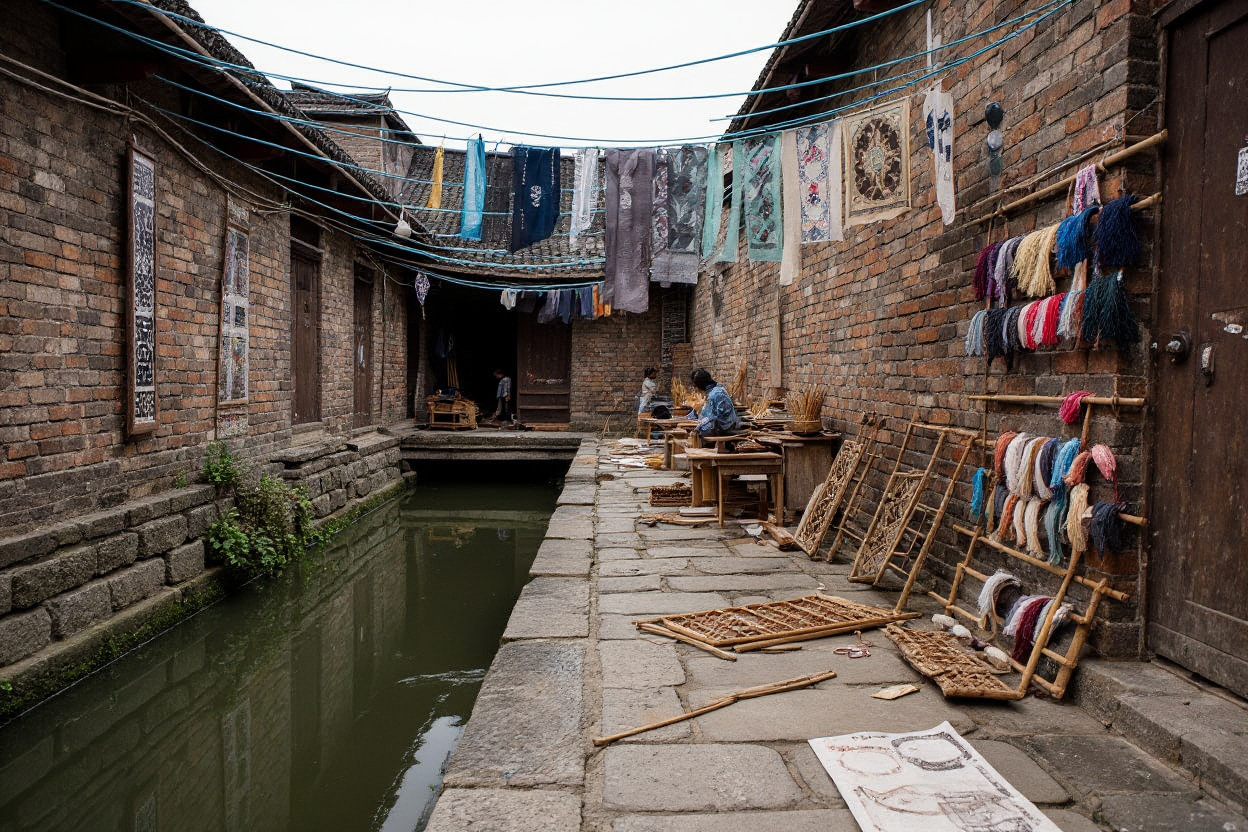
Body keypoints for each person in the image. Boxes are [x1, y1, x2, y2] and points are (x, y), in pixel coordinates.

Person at [690, 368, 741, 437]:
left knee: (698, 433)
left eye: (696, 386)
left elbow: (718, 418)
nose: (696, 389)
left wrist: (703, 423)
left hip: (724, 428)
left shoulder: (717, 393)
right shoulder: (710, 392)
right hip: (715, 425)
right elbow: (703, 413)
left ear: (701, 384)